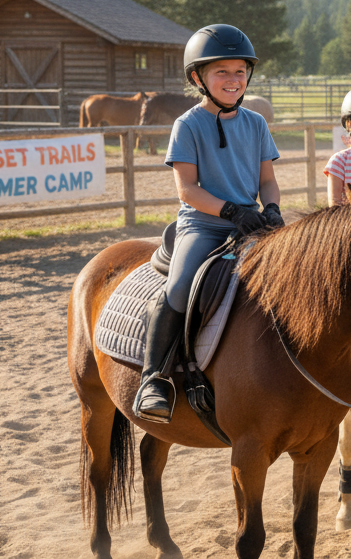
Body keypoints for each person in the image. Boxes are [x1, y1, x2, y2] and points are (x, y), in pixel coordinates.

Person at [134, 24, 283, 423]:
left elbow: (267, 180)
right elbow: (187, 189)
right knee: (181, 287)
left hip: (253, 224)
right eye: (222, 72)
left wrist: (271, 210)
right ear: (199, 78)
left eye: (239, 72)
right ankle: (154, 378)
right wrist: (233, 211)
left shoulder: (255, 123)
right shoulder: (187, 125)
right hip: (205, 226)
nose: (233, 80)